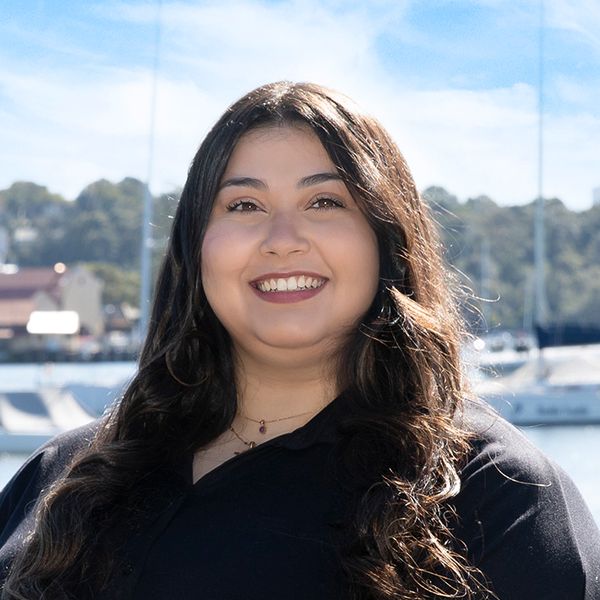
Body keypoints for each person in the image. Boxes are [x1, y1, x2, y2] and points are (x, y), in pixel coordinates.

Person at [0, 81, 599, 600]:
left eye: (324, 201)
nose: (283, 238)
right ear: (194, 248)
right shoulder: (60, 476)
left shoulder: (501, 498)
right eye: (244, 204)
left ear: (386, 241)